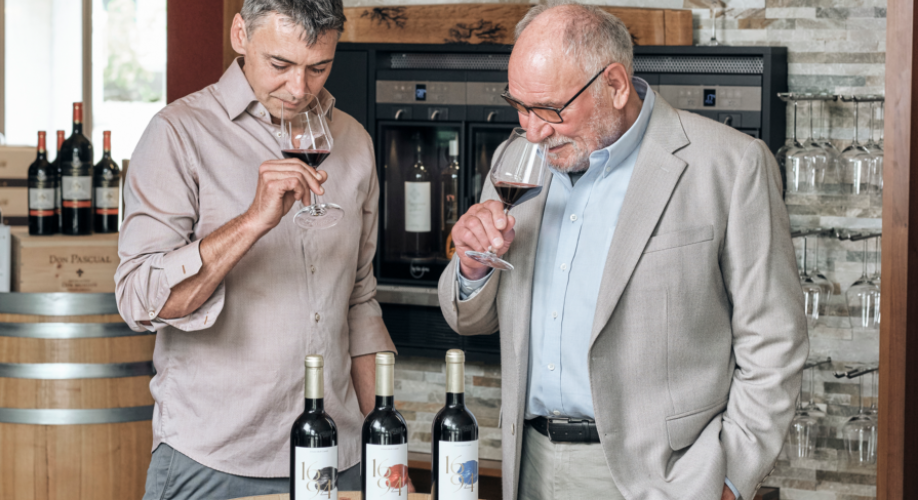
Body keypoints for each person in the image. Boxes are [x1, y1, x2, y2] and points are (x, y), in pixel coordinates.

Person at [437, 3, 808, 500]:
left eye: (549, 110)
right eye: (519, 106)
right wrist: (472, 266)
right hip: (528, 464)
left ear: (614, 84)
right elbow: (469, 320)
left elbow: (775, 343)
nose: (532, 130)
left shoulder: (731, 165)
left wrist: (729, 479)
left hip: (667, 479)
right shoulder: (516, 159)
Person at [115, 1, 396, 498]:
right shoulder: (178, 134)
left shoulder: (354, 142)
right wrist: (252, 223)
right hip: (215, 457)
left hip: (339, 457)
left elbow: (359, 301)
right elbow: (139, 299)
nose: (299, 88)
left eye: (318, 68)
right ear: (240, 34)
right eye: (280, 64)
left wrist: (385, 444)